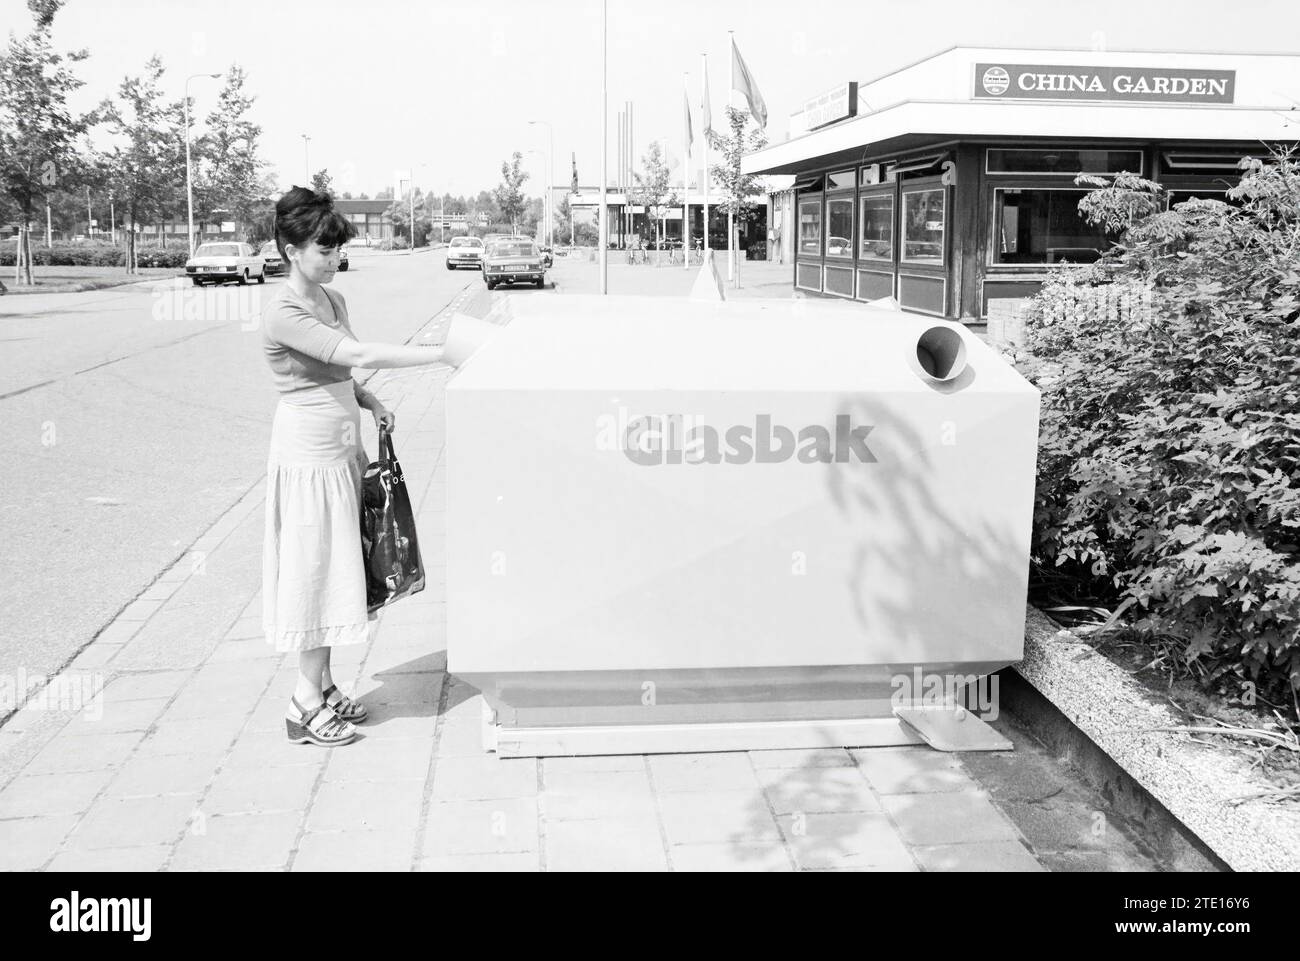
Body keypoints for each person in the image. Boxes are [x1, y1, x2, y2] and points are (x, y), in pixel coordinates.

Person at [261, 185, 447, 747]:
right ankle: (302, 702)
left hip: (344, 446)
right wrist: (444, 353)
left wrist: (370, 402)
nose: (333, 259)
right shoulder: (284, 311)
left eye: (337, 249)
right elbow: (357, 354)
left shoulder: (331, 299)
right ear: (290, 249)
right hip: (309, 453)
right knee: (316, 570)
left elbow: (345, 370)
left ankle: (323, 685)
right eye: (323, 249)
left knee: (343, 566)